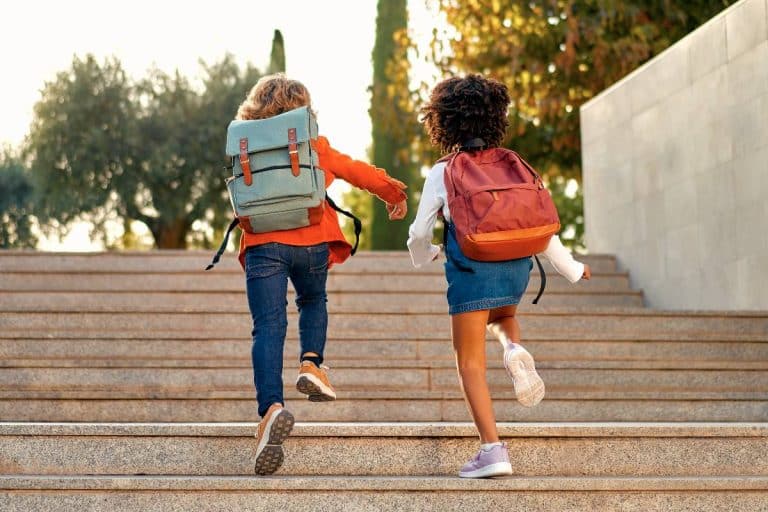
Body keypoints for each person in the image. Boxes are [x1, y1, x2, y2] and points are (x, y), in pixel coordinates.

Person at [407, 74, 591, 479]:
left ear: (443, 122)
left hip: (472, 268)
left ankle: (492, 451)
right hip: (515, 267)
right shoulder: (514, 163)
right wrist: (573, 269)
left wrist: (426, 255)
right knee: (503, 318)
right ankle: (512, 349)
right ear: (496, 118)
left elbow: (420, 232)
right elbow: (541, 225)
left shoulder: (444, 171)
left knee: (469, 362)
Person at [236, 74, 408, 475]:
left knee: (267, 327)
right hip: (312, 241)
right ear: (303, 108)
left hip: (263, 243)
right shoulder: (313, 145)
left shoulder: (244, 145)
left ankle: (270, 411)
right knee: (312, 300)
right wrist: (392, 193)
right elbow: (354, 170)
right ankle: (311, 364)